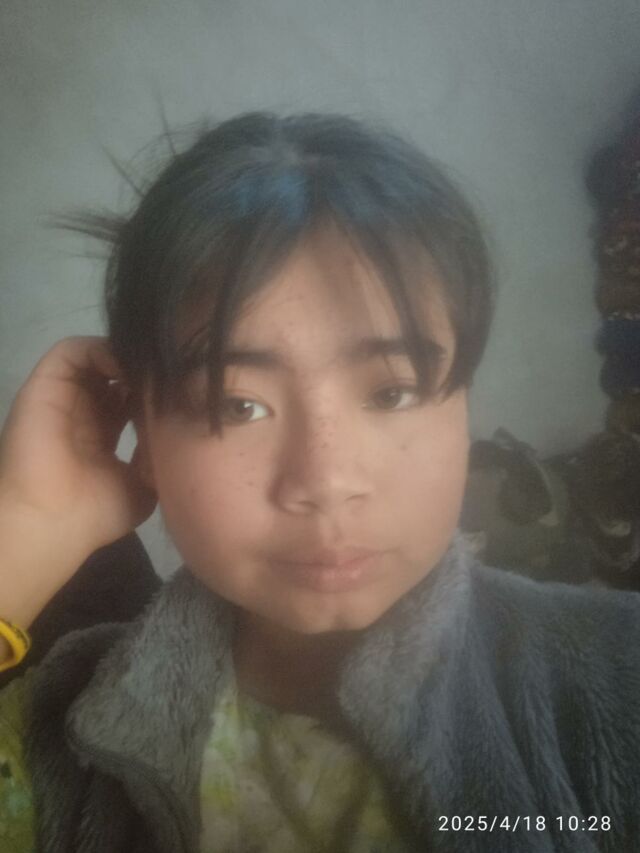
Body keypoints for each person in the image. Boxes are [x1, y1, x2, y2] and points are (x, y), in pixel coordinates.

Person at [0, 111, 638, 853]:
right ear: (144, 437)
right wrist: (26, 527)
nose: (327, 480)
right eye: (237, 404)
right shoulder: (60, 725)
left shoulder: (615, 671)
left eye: (392, 392)